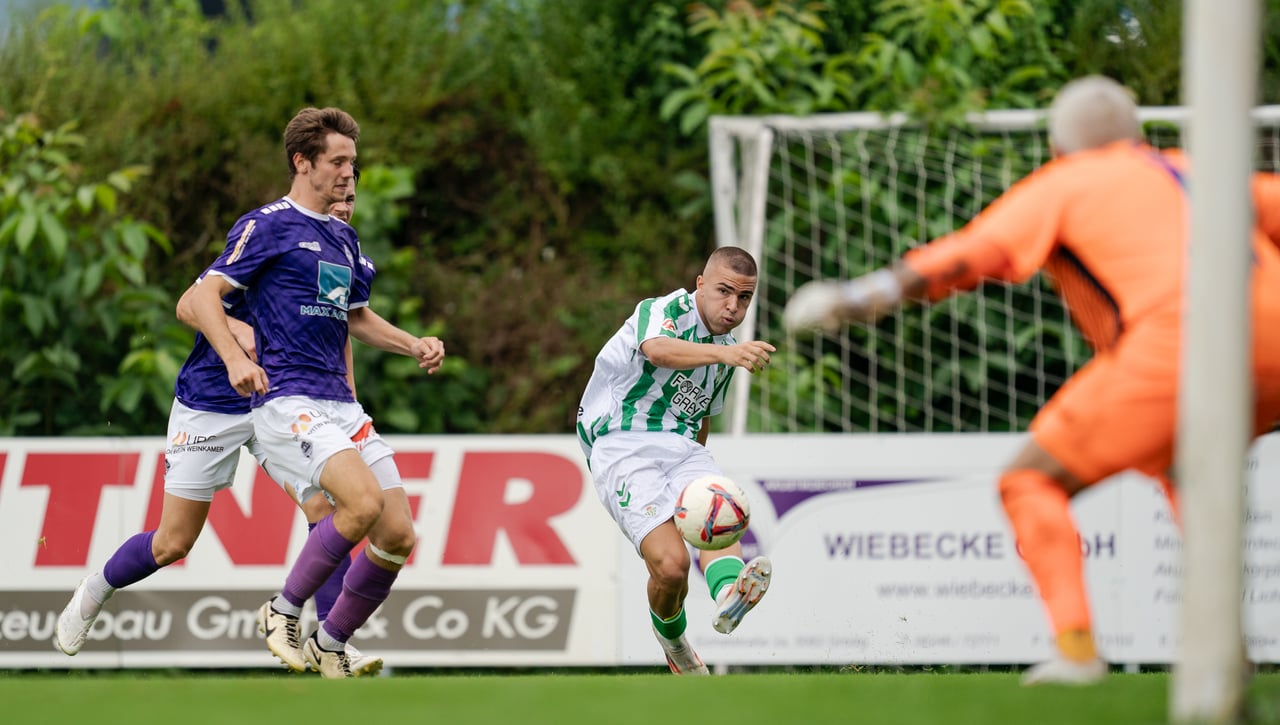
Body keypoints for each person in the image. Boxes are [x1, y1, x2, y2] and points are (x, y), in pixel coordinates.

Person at [782, 75, 1280, 685]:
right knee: (1191, 483)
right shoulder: (1190, 171)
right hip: (1269, 342)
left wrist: (854, 297)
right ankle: (1230, 658)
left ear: (1057, 146)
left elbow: (969, 254)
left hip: (1183, 343)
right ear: (1137, 135)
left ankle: (1076, 651)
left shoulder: (1064, 184)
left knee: (1028, 480)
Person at [53, 177, 384, 676]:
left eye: (352, 199)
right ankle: (97, 588)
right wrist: (240, 332)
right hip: (214, 400)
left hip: (284, 402)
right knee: (173, 543)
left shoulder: (340, 256)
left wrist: (348, 405)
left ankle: (330, 639)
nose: (344, 207)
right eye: (338, 196)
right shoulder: (273, 235)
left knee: (330, 506)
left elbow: (338, 338)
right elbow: (191, 303)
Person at [186, 107, 444, 678]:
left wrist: (414, 344)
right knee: (360, 504)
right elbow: (204, 297)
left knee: (398, 533)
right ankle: (282, 611)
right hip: (289, 400)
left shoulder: (343, 237)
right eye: (338, 161)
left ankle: (330, 641)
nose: (350, 173)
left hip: (340, 402)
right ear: (303, 162)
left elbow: (355, 317)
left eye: (353, 161)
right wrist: (234, 359)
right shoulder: (268, 224)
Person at [576, 246, 777, 675]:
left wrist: (702, 474)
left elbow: (700, 418)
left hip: (683, 448)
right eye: (724, 292)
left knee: (720, 510)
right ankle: (674, 643)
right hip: (620, 444)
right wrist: (727, 354)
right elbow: (659, 351)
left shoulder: (725, 354)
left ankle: (729, 596)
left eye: (744, 298)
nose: (733, 306)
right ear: (701, 285)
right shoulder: (666, 310)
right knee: (671, 568)